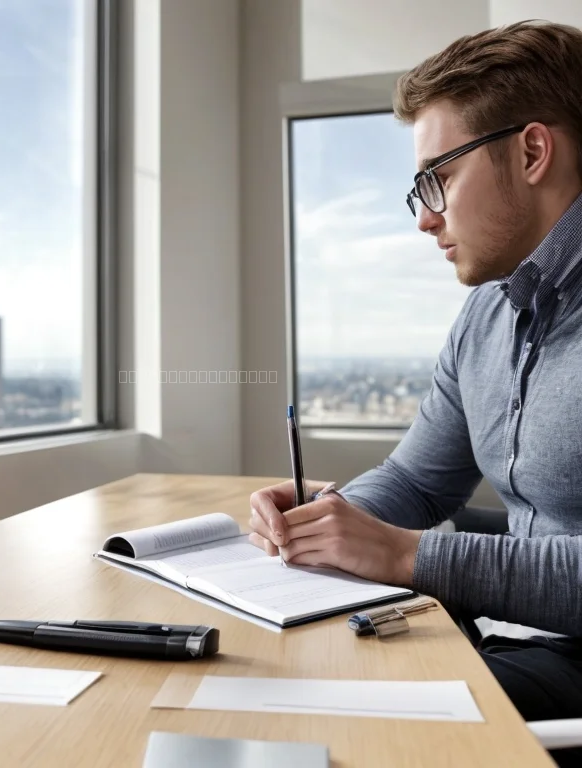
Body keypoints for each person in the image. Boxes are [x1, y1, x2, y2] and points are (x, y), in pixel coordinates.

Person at [249, 19, 582, 766]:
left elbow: (414, 546)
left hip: (566, 664)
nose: (426, 217)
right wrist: (324, 520)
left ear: (532, 151)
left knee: (322, 732)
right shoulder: (489, 313)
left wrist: (408, 557)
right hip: (504, 627)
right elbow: (417, 479)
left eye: (441, 177)